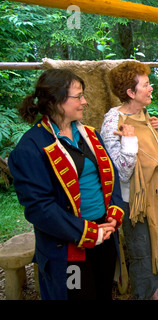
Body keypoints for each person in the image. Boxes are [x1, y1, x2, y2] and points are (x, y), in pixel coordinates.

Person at [8, 69, 125, 300]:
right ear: (56, 101)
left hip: (104, 234)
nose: (85, 101)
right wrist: (87, 232)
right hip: (69, 246)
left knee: (102, 292)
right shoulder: (30, 148)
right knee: (78, 294)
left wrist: (113, 211)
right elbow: (40, 208)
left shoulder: (89, 135)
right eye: (78, 96)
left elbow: (109, 175)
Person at [101, 61, 158, 300]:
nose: (151, 88)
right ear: (130, 93)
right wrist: (128, 141)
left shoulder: (142, 114)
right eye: (146, 84)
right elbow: (121, 173)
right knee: (142, 255)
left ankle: (154, 295)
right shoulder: (113, 122)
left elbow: (151, 157)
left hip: (155, 197)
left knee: (156, 249)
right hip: (134, 203)